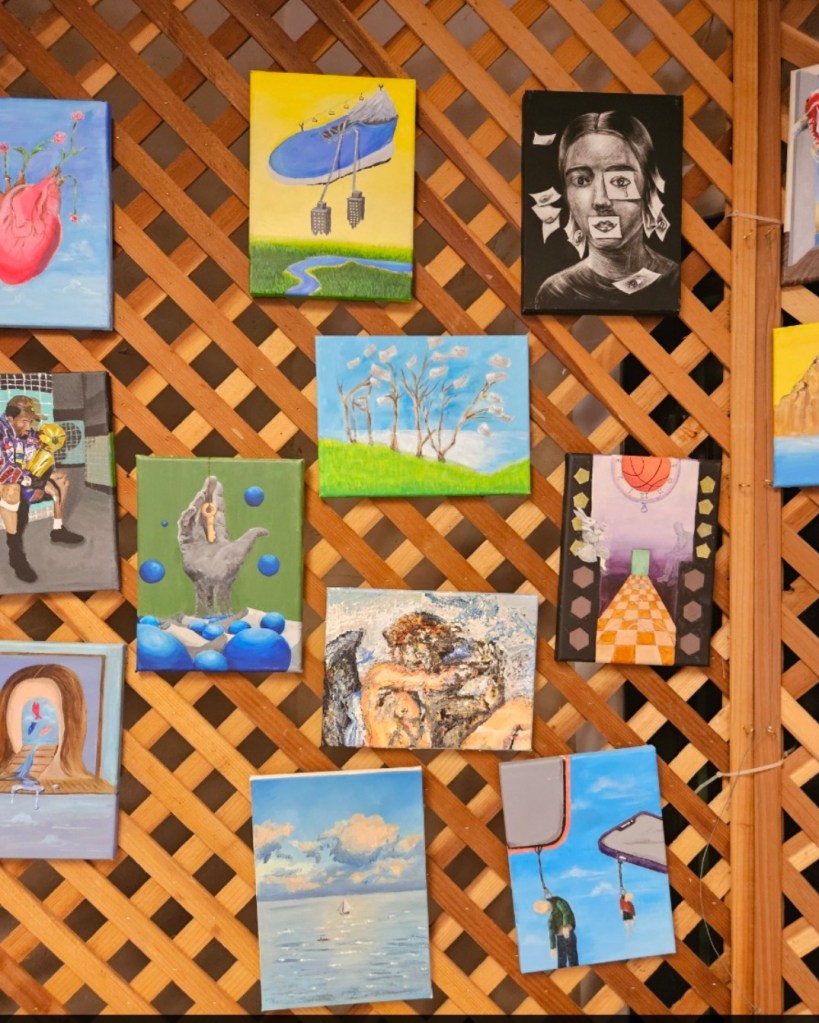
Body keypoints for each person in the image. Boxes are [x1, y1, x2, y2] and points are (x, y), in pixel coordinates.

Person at [534, 110, 679, 311]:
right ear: (566, 194)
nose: (601, 200)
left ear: (649, 187)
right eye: (581, 180)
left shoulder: (674, 281)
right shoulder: (555, 292)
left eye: (620, 181)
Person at [0, 395, 83, 584]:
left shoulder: (26, 433)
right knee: (12, 489)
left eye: (31, 422)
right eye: (25, 421)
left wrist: (44, 450)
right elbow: (3, 469)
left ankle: (58, 529)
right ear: (10, 418)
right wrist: (31, 481)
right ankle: (15, 552)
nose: (29, 427)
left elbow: (34, 456)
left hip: (23, 477)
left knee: (61, 480)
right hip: (5, 481)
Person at [534, 895, 578, 968]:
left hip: (568, 934)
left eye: (548, 908)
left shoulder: (558, 903)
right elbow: (551, 933)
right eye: (546, 911)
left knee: (572, 958)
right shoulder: (551, 920)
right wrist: (553, 947)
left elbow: (565, 912)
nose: (548, 910)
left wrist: (565, 926)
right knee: (561, 960)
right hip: (560, 938)